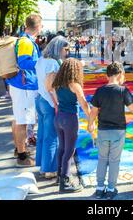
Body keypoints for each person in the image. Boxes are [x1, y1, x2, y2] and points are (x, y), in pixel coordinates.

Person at [88, 62, 133, 199]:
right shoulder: (123, 91)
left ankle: (99, 188)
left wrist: (90, 124)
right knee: (114, 160)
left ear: (108, 75)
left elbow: (93, 111)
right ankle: (111, 189)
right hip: (118, 130)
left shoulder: (100, 91)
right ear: (119, 74)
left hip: (103, 130)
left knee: (102, 159)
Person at [7, 15, 43, 167]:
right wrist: (42, 61)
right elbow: (24, 62)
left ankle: (19, 149)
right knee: (22, 122)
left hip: (20, 84)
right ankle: (22, 157)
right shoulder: (26, 42)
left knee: (18, 119)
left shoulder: (24, 40)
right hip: (24, 85)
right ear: (39, 26)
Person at [52, 58, 92, 193]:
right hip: (70, 119)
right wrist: (90, 117)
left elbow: (55, 98)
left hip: (59, 118)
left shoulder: (57, 83)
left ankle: (60, 176)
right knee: (70, 150)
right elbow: (84, 103)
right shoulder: (74, 84)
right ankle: (65, 181)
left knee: (62, 148)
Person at [35, 36, 70, 179]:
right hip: (49, 101)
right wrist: (57, 103)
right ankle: (49, 169)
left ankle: (43, 166)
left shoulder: (41, 60)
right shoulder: (53, 63)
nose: (66, 52)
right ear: (58, 48)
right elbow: (51, 87)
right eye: (65, 49)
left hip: (40, 99)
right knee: (52, 136)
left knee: (43, 135)